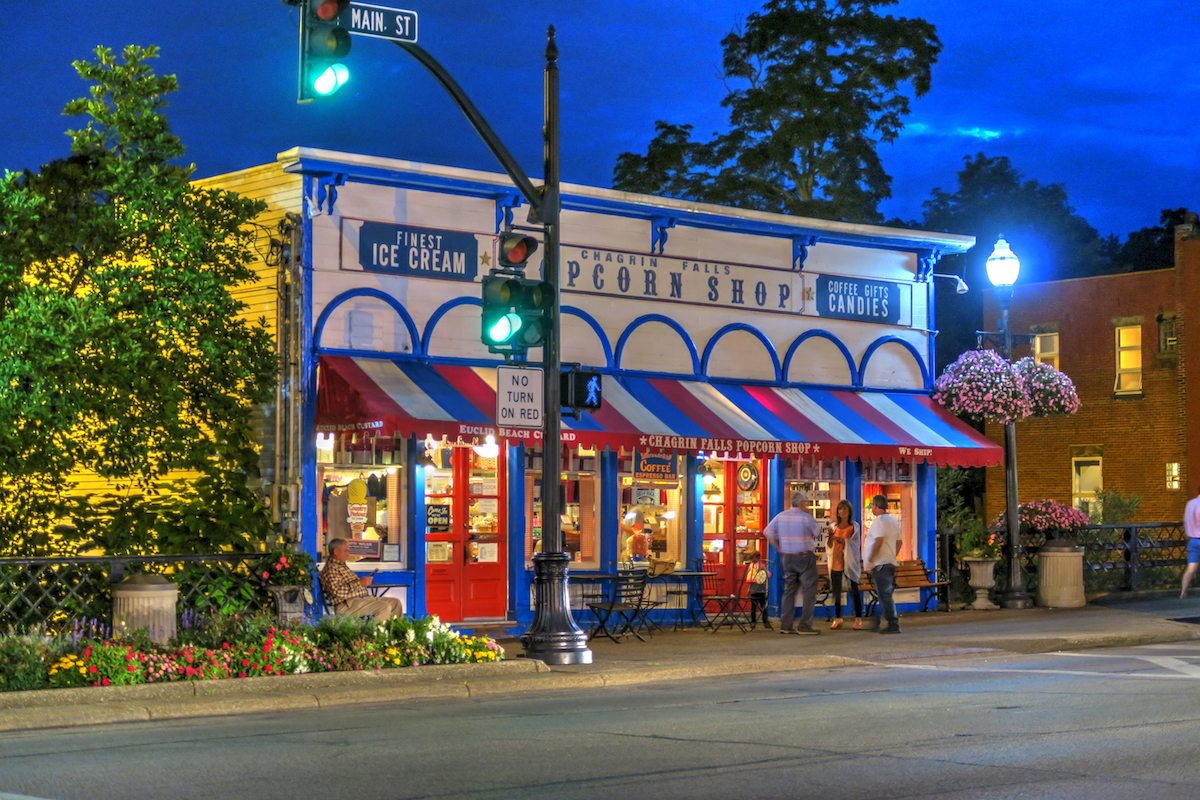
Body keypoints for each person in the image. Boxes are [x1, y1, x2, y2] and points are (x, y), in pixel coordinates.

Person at [764, 489, 821, 635]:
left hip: (787, 557)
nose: (807, 506)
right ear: (801, 503)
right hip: (804, 557)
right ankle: (805, 625)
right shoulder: (805, 517)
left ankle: (786, 624)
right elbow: (817, 532)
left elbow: (768, 533)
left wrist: (779, 548)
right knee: (809, 591)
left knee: (789, 591)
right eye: (806, 503)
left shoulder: (780, 516)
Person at [319, 538, 403, 621]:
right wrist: (360, 583)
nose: (348, 554)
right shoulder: (331, 569)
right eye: (346, 551)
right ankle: (377, 633)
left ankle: (396, 632)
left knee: (395, 603)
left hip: (361, 600)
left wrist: (362, 582)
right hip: (346, 605)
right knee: (383, 607)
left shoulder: (341, 566)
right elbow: (337, 592)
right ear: (336, 551)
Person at [863, 494, 902, 634]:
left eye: (872, 505)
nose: (871, 508)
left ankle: (893, 623)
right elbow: (899, 542)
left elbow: (878, 541)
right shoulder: (892, 521)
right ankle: (878, 620)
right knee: (883, 594)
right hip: (889, 562)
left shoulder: (879, 521)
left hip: (881, 564)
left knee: (884, 594)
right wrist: (892, 555)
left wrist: (871, 560)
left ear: (876, 506)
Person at [826, 499, 864, 630]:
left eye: (845, 509)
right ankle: (837, 618)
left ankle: (858, 618)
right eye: (840, 509)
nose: (842, 512)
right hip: (836, 561)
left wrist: (842, 540)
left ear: (849, 512)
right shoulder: (833, 527)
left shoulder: (854, 526)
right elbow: (829, 546)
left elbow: (854, 543)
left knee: (854, 591)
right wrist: (831, 537)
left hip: (849, 562)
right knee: (836, 592)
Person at [743, 549, 771, 630]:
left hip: (760, 588)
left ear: (758, 558)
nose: (753, 560)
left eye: (754, 558)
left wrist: (763, 570)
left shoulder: (762, 565)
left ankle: (765, 621)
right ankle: (753, 621)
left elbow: (767, 574)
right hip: (753, 588)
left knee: (763, 606)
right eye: (752, 559)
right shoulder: (751, 566)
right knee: (753, 606)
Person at [1180, 486, 1200, 598]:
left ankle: (1183, 591)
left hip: (1192, 540)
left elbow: (1186, 520)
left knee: (1191, 568)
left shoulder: (1190, 503)